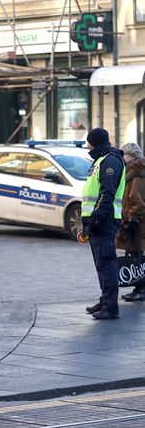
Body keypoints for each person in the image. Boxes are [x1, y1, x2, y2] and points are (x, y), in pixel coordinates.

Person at [83, 127, 126, 320]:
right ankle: (105, 300)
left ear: (95, 142)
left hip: (104, 220)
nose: (87, 145)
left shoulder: (110, 161)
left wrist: (97, 218)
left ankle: (110, 306)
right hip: (98, 219)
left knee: (106, 262)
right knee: (101, 263)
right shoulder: (102, 159)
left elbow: (107, 193)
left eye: (88, 142)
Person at [116, 142, 145, 301]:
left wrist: (133, 218)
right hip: (134, 219)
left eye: (124, 153)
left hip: (138, 222)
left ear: (133, 156)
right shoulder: (132, 171)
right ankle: (139, 287)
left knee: (138, 255)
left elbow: (137, 199)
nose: (122, 157)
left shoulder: (137, 173)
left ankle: (141, 288)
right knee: (136, 254)